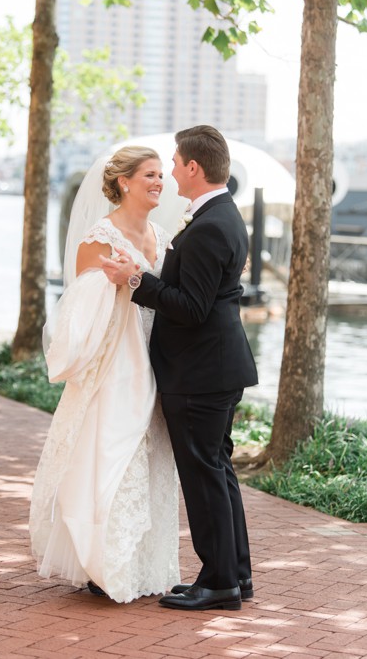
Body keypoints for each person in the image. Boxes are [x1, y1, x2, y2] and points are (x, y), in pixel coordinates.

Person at [102, 125, 258, 611]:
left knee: (204, 475)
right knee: (218, 471)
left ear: (193, 167)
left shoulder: (211, 224)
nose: (170, 171)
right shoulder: (219, 215)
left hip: (201, 372)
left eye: (173, 163)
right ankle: (234, 575)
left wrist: (135, 280)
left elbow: (189, 307)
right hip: (214, 367)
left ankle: (218, 583)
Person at [29, 145, 181, 603]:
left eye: (160, 176)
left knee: (150, 459)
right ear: (123, 182)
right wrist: (111, 282)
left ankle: (139, 564)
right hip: (117, 364)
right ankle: (103, 564)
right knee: (111, 457)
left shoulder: (159, 232)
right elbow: (78, 308)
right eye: (150, 175)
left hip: (159, 360)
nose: (158, 183)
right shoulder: (100, 236)